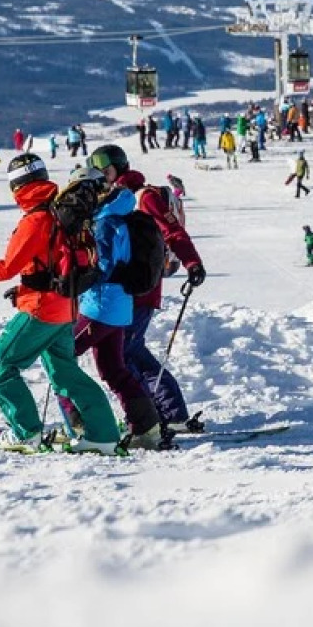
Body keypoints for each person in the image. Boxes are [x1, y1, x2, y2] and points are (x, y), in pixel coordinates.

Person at [0, 154, 123, 454]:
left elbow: (4, 268)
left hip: (42, 311)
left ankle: (26, 432)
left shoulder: (36, 219)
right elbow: (49, 265)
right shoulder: (61, 212)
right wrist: (26, 287)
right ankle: (103, 435)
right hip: (67, 307)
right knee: (66, 373)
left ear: (15, 186)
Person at [88, 145, 208, 433]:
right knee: (131, 350)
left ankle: (152, 415)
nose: (102, 175)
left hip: (141, 287)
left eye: (106, 169)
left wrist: (192, 262)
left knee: (124, 351)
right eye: (98, 170)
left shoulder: (145, 195)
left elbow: (173, 232)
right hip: (118, 288)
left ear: (119, 167)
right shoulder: (107, 199)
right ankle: (170, 411)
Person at [69, 167, 165, 450]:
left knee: (60, 355)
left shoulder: (106, 220)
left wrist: (74, 279)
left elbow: (105, 266)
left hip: (101, 304)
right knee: (113, 368)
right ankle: (146, 427)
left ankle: (83, 422)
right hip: (120, 305)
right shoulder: (117, 214)